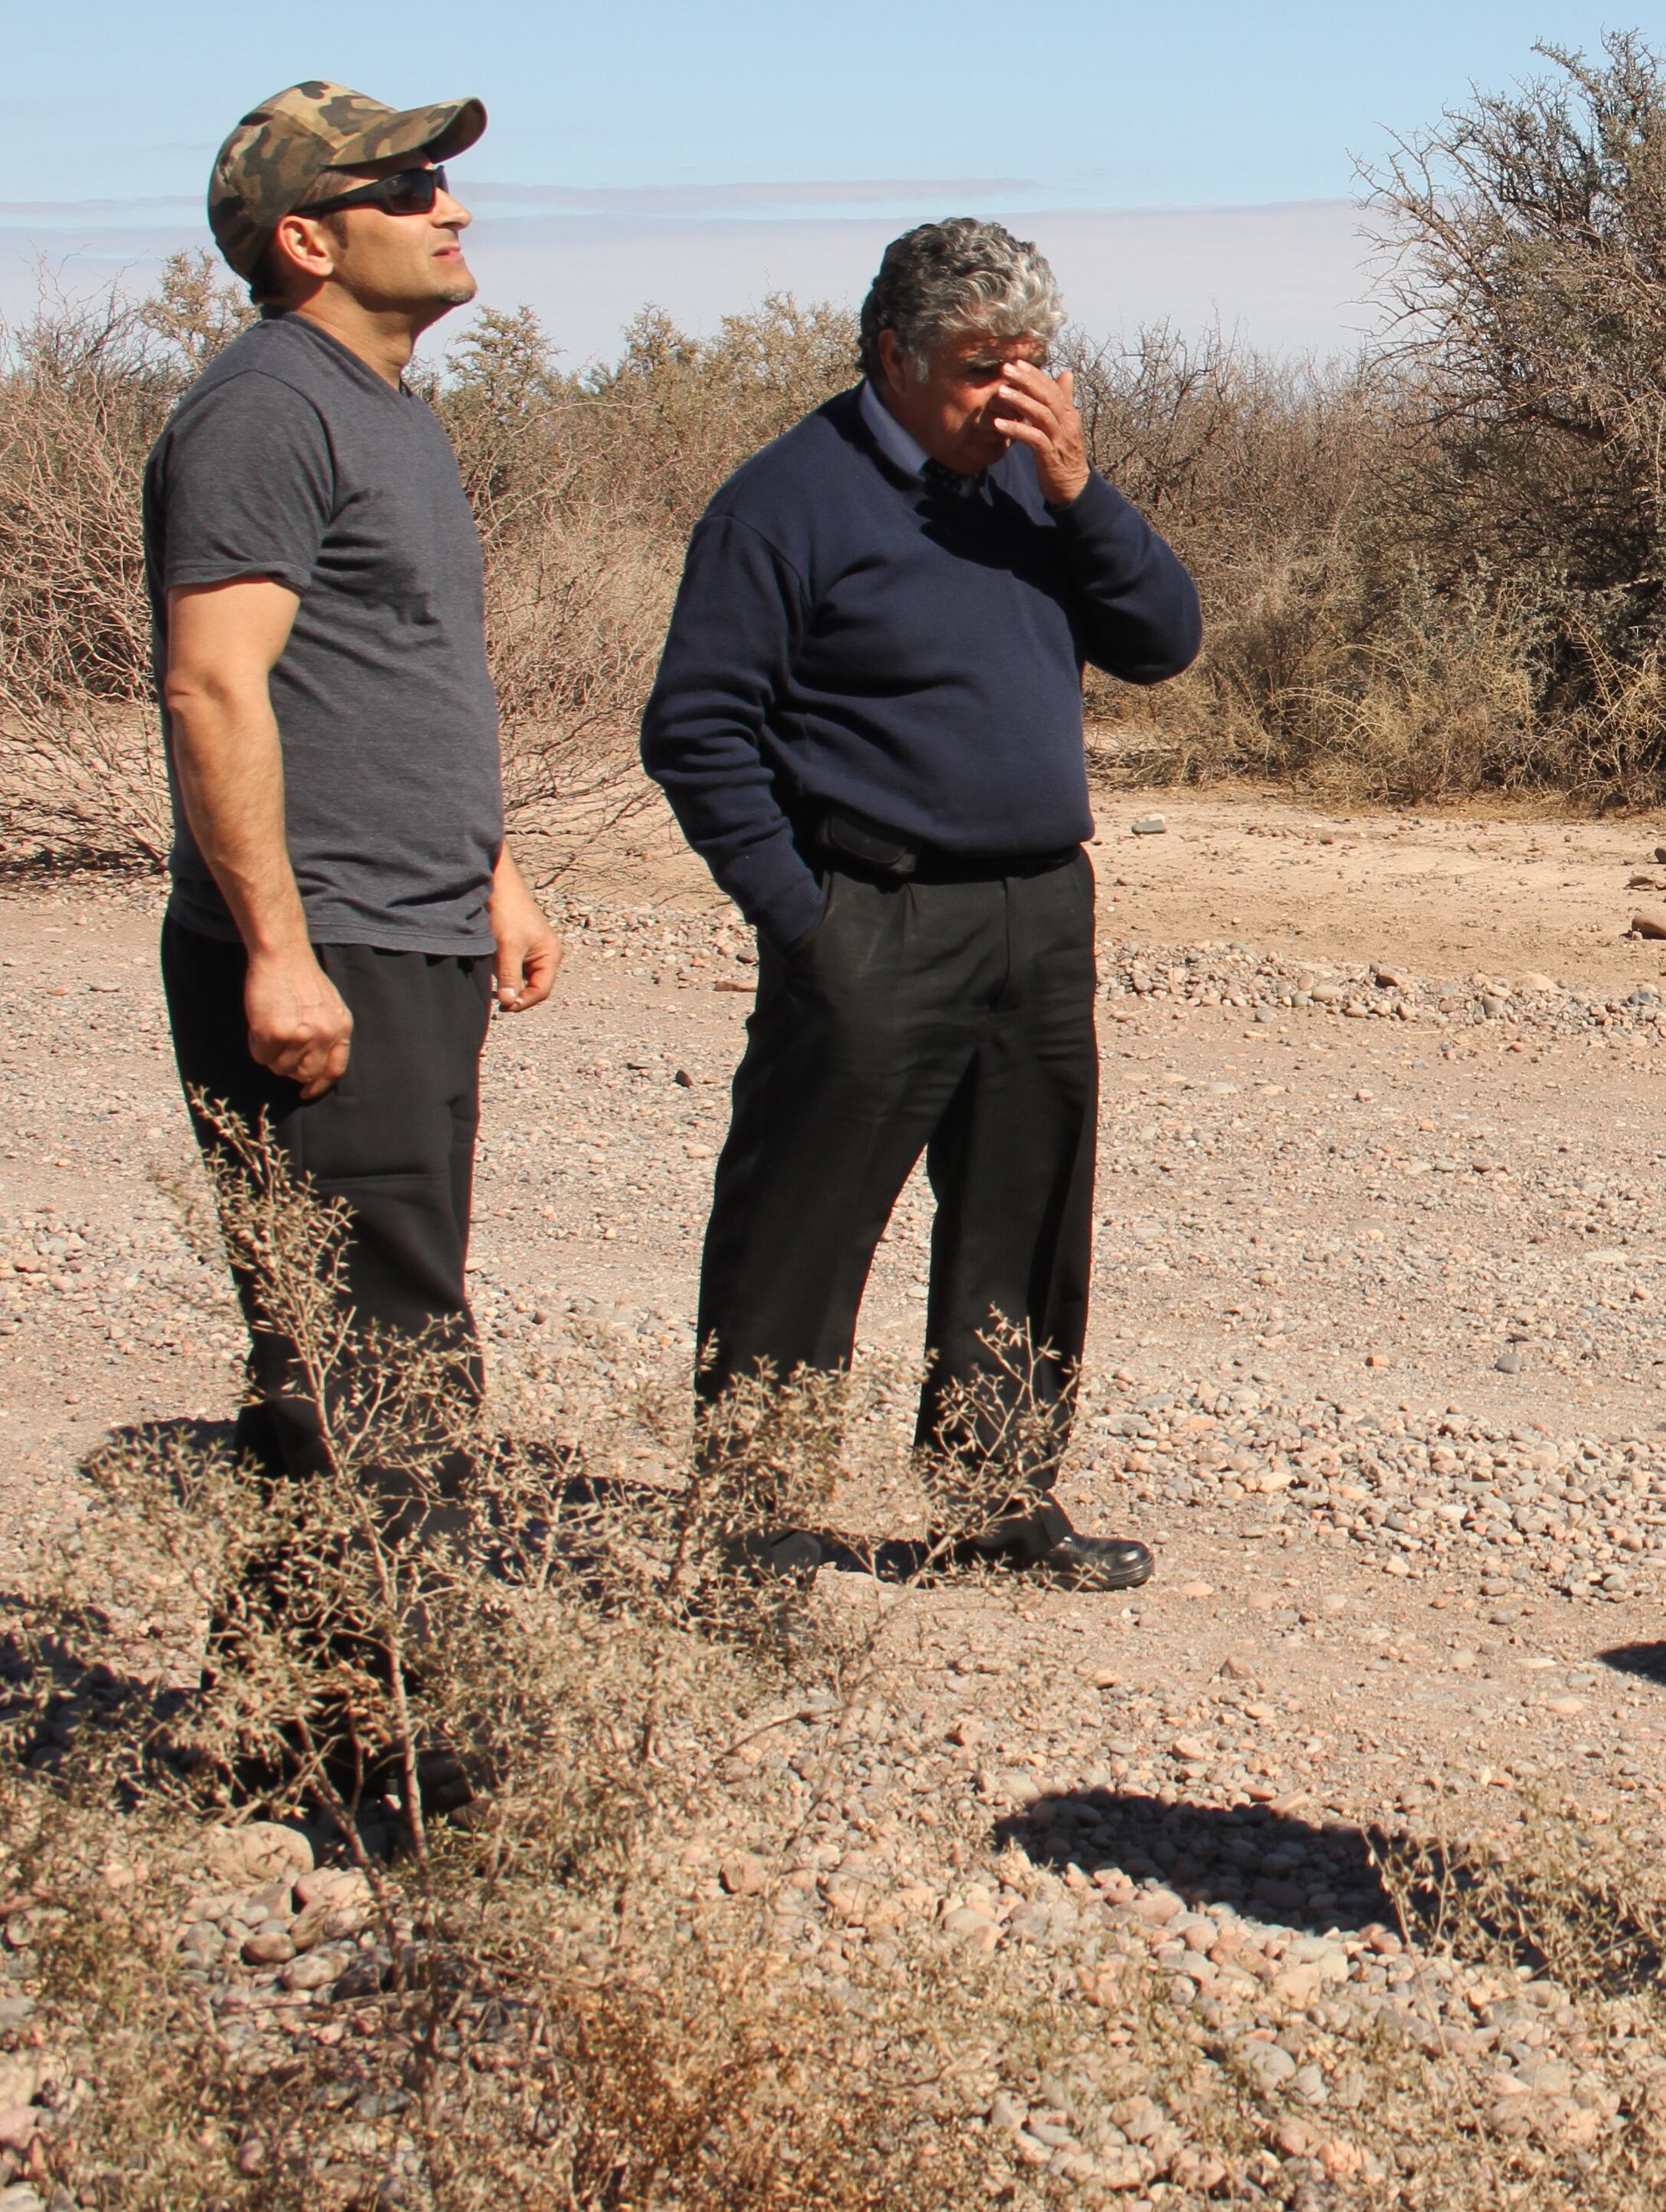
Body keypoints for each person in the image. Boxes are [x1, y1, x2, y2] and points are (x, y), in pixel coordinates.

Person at [640, 219, 1201, 1591]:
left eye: (1035, 363)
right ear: (893, 354)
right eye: (976, 365)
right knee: (801, 1227)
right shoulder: (786, 499)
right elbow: (696, 727)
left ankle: (995, 1503)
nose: (1009, 393)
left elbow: (1162, 640)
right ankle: (752, 1534)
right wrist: (804, 914)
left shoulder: (1025, 484)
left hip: (1036, 911)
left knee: (1024, 1212)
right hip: (870, 912)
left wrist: (1082, 491)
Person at [147, 81, 561, 1487]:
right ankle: (379, 1704)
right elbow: (214, 681)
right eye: (403, 188)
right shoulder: (264, 411)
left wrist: (490, 871)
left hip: (416, 923)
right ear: (306, 241)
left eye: (442, 180)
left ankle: (308, 1706)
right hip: (332, 940)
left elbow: (402, 664)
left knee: (347, 1347)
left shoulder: (388, 410)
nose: (447, 206)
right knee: (382, 1361)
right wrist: (277, 950)